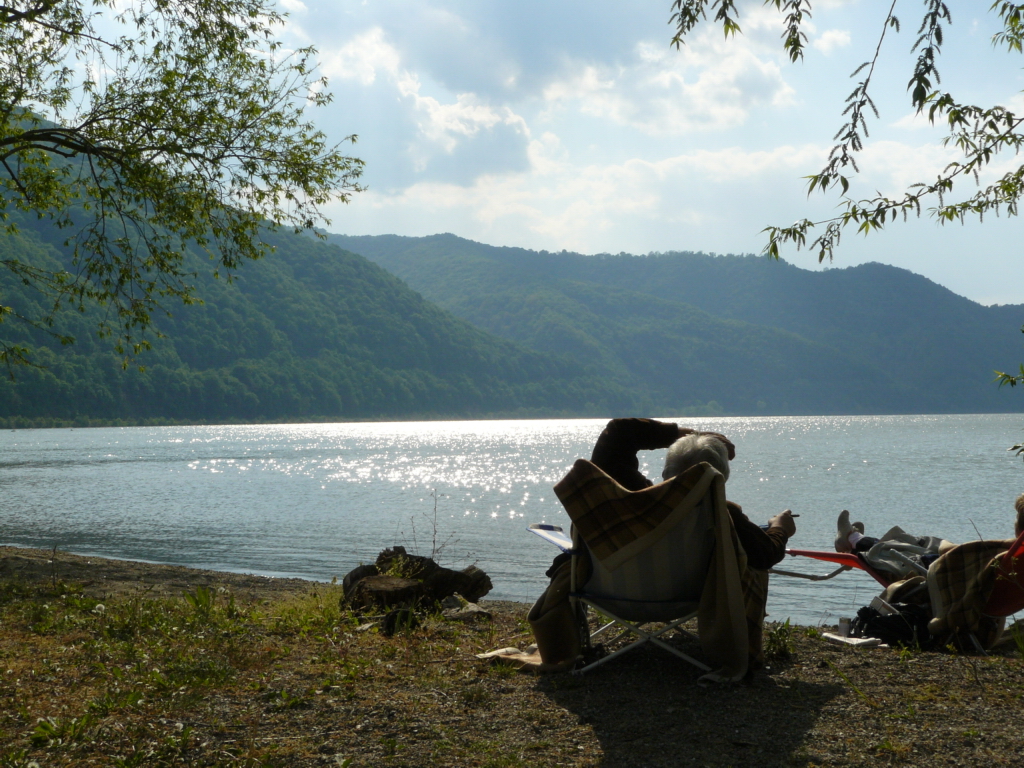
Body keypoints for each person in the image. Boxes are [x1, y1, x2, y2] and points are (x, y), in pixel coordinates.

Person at [589, 418, 797, 668]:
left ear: (666, 472)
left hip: (609, 595)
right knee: (746, 559)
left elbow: (619, 432)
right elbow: (764, 556)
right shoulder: (722, 514)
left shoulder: (632, 501)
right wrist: (780, 529)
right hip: (691, 598)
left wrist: (692, 433)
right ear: (719, 478)